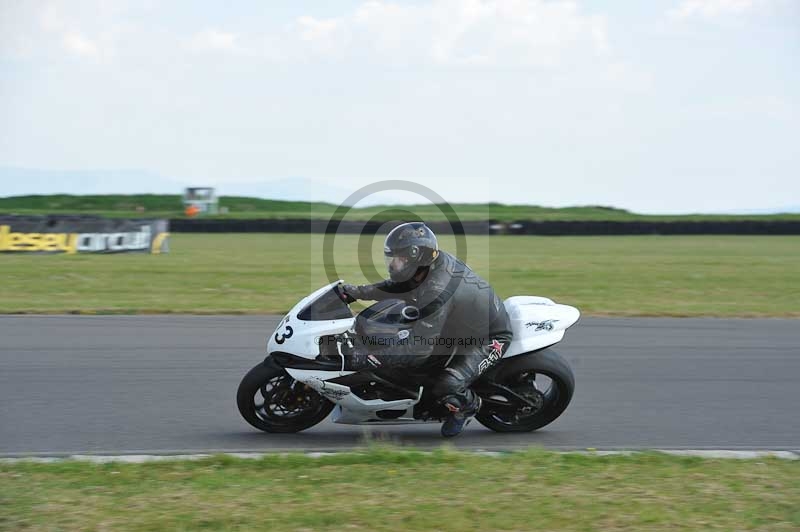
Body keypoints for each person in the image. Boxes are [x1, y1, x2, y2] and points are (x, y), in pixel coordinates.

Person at [339, 222, 513, 437]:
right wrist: (355, 292)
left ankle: (466, 406)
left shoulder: (436, 291)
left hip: (488, 337)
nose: (393, 264)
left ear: (417, 258)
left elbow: (418, 349)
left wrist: (371, 358)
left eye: (399, 258)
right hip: (457, 325)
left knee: (446, 385)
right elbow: (398, 286)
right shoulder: (428, 266)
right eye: (392, 257)